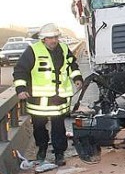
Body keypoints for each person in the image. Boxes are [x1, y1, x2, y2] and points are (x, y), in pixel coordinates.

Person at [13, 23, 85, 166]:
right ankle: (42, 149)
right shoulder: (33, 51)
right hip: (38, 100)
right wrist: (21, 88)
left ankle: (59, 153)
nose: (53, 41)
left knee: (59, 127)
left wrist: (77, 78)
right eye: (50, 38)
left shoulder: (64, 49)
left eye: (55, 37)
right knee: (39, 127)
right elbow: (20, 70)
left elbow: (72, 65)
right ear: (43, 39)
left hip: (59, 98)